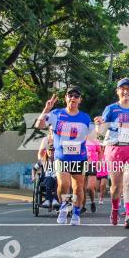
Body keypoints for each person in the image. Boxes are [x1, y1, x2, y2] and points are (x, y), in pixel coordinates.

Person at [97, 78, 129, 228]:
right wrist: (99, 125)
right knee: (115, 187)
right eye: (123, 88)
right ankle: (115, 209)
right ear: (118, 91)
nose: (126, 91)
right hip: (114, 149)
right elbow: (101, 131)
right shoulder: (111, 108)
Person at [37, 87, 93, 226]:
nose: (73, 98)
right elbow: (39, 125)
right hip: (62, 156)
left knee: (78, 187)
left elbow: (93, 135)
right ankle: (64, 208)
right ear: (65, 98)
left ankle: (76, 212)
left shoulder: (85, 117)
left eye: (76, 96)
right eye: (70, 95)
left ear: (80, 100)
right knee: (63, 184)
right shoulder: (56, 113)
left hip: (80, 157)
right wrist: (46, 110)